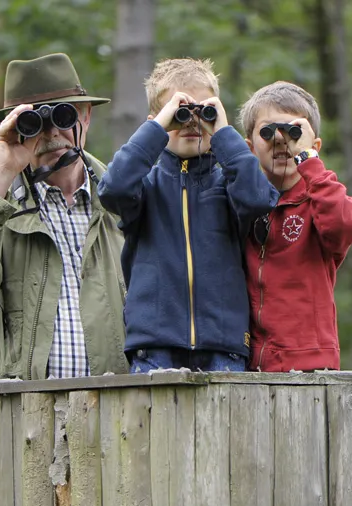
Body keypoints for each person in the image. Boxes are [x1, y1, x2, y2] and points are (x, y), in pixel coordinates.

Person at [0, 53, 129, 381]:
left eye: (63, 115)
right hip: (14, 425)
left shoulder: (124, 204)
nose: (50, 134)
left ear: (86, 116)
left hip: (112, 421)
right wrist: (0, 172)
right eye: (33, 124)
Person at [97, 58, 279, 373]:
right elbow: (113, 189)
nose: (192, 122)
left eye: (202, 112)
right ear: (158, 121)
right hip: (155, 345)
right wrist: (155, 130)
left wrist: (222, 132)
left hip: (223, 344)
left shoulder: (228, 183)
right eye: (180, 113)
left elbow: (259, 198)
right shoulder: (145, 187)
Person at [237, 81, 352, 372]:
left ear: (314, 146)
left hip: (309, 366)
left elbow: (343, 223)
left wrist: (309, 162)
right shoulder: (242, 204)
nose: (281, 140)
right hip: (250, 365)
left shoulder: (319, 200)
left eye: (294, 132)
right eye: (268, 132)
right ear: (249, 146)